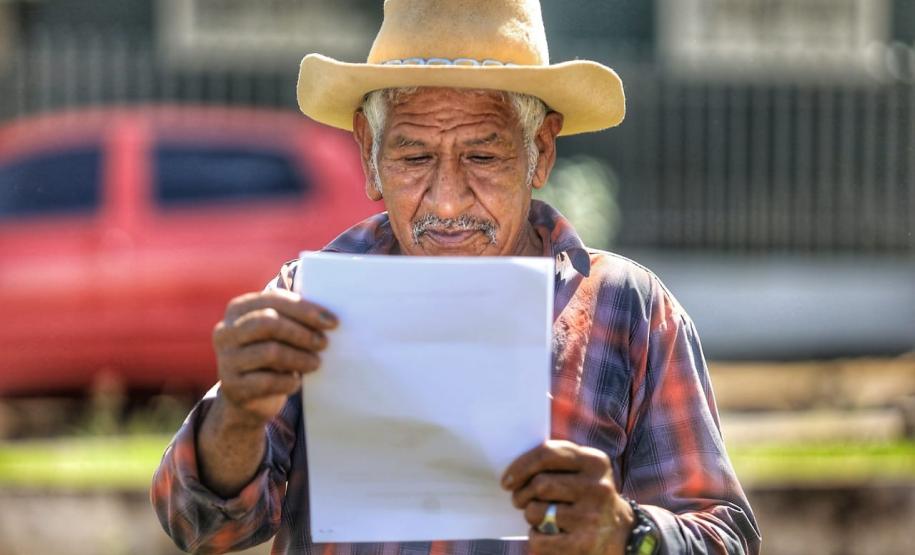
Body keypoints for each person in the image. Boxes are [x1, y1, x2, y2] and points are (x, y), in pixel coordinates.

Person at [151, 1, 761, 554]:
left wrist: (626, 535)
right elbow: (200, 524)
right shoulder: (313, 296)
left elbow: (725, 536)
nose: (446, 202)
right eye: (414, 157)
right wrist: (238, 411)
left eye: (483, 156)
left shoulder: (627, 309)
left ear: (541, 152)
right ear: (369, 155)